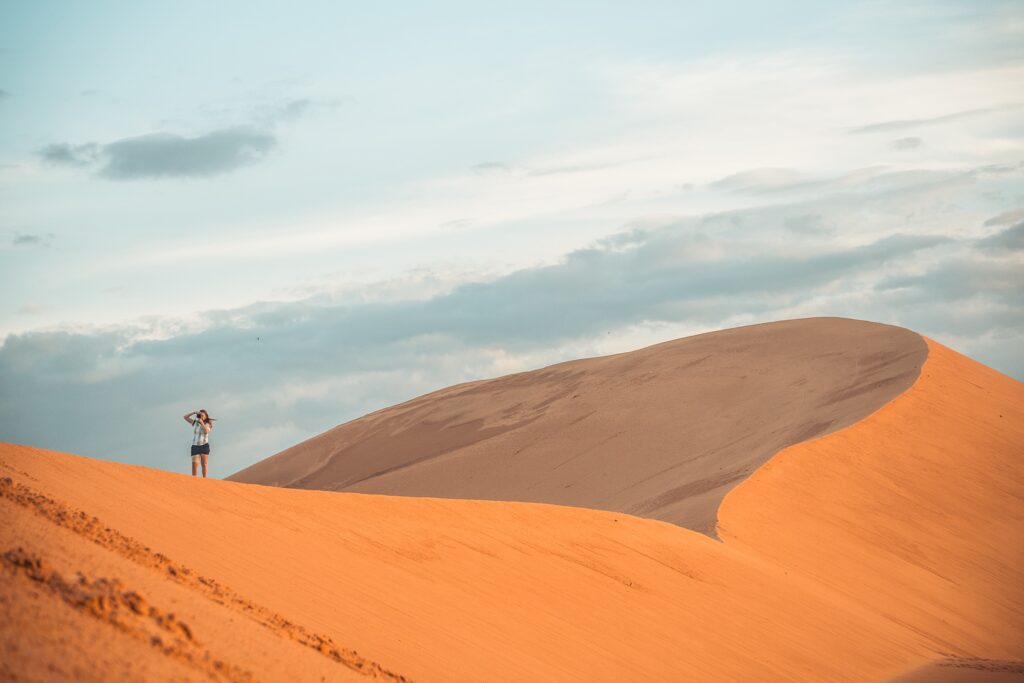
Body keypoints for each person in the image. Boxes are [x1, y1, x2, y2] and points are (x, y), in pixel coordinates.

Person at [183, 409, 215, 477]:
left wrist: (202, 423)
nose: (201, 416)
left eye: (203, 415)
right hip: (195, 446)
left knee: (204, 464)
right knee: (194, 465)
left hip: (204, 446)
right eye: (200, 415)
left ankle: (205, 480)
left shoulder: (208, 424)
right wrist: (194, 412)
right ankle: (194, 481)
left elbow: (207, 431)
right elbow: (185, 417)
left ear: (206, 416)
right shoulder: (195, 422)